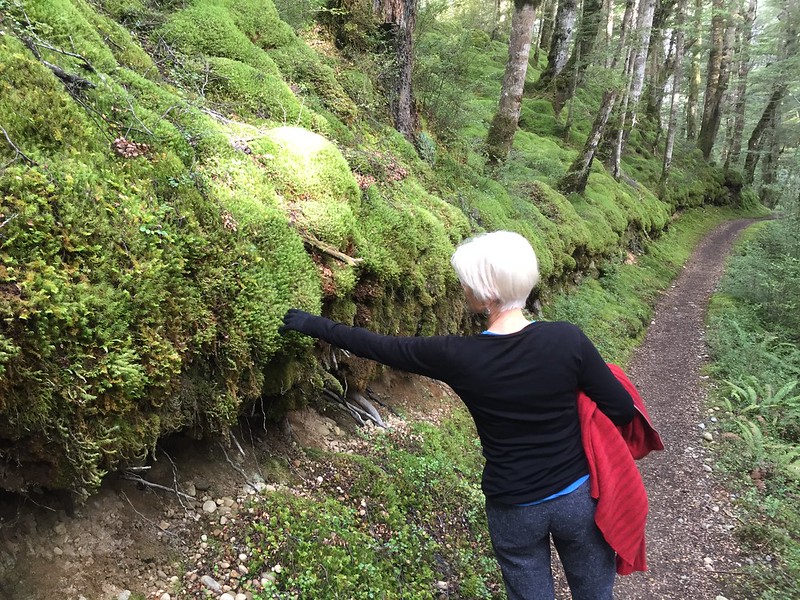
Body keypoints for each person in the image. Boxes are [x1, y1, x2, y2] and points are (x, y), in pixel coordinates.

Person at [280, 230, 636, 600]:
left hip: (513, 506)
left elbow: (380, 347)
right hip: (576, 498)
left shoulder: (457, 355)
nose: (462, 288)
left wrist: (313, 324)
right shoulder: (568, 339)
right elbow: (622, 409)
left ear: (485, 292)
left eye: (466, 282)